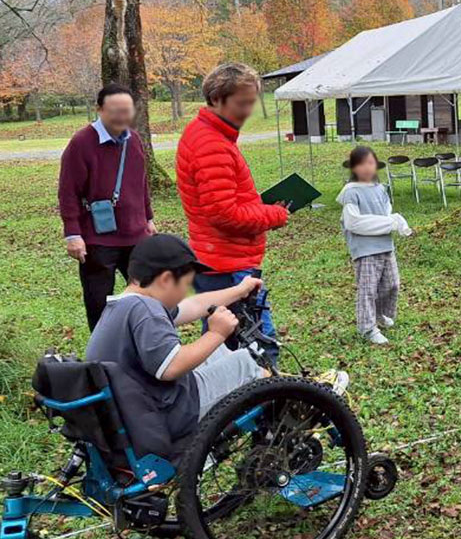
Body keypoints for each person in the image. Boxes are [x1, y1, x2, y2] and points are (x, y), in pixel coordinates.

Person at [84, 234, 264, 459]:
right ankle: (272, 452)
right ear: (166, 279)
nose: (185, 293)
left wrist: (240, 290)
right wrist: (217, 333)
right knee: (248, 364)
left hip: (134, 411)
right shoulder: (146, 310)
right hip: (166, 414)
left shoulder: (125, 305)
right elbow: (171, 367)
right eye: (186, 285)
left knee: (220, 353)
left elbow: (194, 305)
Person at [175, 63, 289, 365]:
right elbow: (223, 213)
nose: (249, 111)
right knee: (255, 348)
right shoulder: (210, 143)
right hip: (226, 264)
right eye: (242, 103)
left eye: (253, 102)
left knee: (225, 347)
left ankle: (228, 406)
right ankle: (266, 409)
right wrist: (273, 215)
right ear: (216, 99)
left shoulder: (214, 136)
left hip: (221, 258)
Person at [59, 84, 155, 330]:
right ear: (99, 109)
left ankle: (143, 350)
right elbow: (68, 192)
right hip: (97, 240)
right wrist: (73, 234)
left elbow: (140, 182)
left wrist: (148, 217)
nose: (122, 117)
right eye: (115, 111)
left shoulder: (133, 140)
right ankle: (104, 360)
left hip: (136, 236)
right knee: (98, 304)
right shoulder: (81, 142)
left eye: (127, 111)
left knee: (147, 298)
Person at [337, 146, 413, 344]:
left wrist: (398, 222)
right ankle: (367, 327)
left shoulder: (381, 189)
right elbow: (354, 223)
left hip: (385, 244)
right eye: (362, 164)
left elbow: (387, 213)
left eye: (371, 163)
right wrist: (390, 223)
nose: (367, 168)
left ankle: (380, 315)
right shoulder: (351, 192)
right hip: (365, 249)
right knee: (368, 289)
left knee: (392, 283)